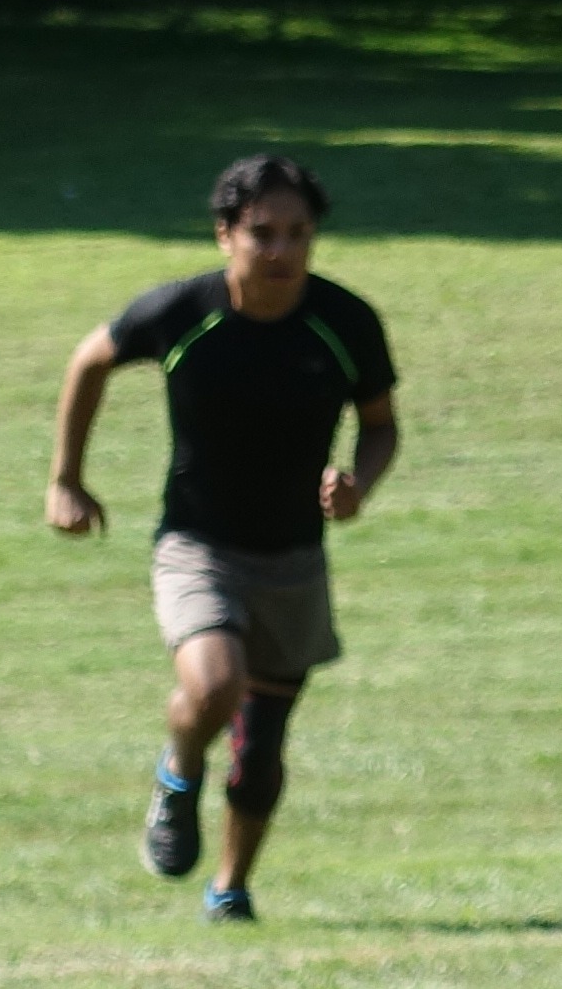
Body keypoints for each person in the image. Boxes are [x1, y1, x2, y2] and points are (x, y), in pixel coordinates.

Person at [47, 155, 399, 923]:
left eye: (298, 233)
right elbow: (90, 359)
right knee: (215, 686)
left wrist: (358, 485)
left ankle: (230, 888)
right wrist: (66, 479)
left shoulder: (344, 322)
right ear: (224, 234)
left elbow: (380, 425)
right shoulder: (184, 312)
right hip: (197, 546)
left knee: (261, 746)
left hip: (294, 559)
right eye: (262, 233)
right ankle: (178, 772)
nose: (281, 250)